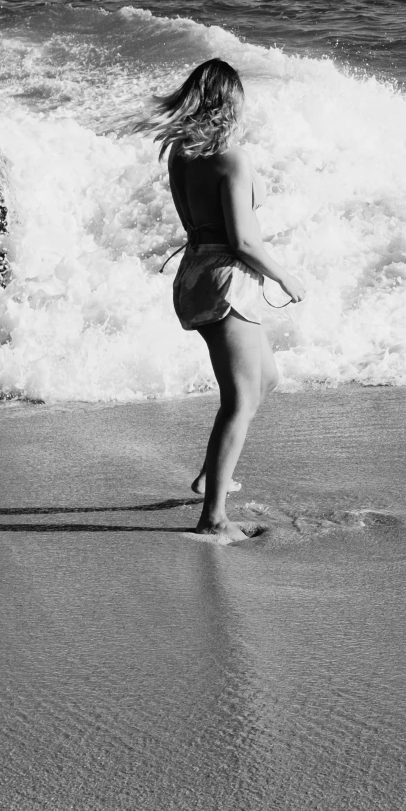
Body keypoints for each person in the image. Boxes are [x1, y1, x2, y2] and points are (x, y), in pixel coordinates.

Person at [145, 59, 306, 543]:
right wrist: (284, 278)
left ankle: (209, 476)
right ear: (228, 102)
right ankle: (213, 517)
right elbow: (243, 241)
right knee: (239, 401)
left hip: (196, 270)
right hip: (226, 278)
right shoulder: (231, 159)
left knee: (266, 380)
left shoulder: (180, 151)